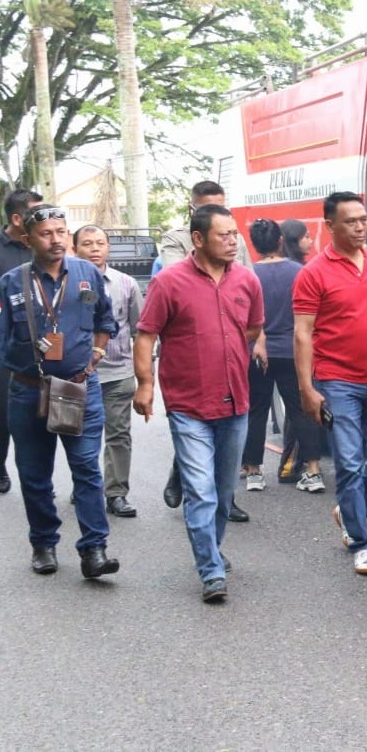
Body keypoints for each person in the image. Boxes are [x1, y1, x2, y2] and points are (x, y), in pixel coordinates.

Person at [133, 204, 264, 602]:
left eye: (234, 234)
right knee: (203, 493)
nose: (232, 241)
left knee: (223, 493)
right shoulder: (169, 282)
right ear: (198, 239)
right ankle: (210, 571)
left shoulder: (246, 281)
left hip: (236, 402)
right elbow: (145, 335)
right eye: (223, 235)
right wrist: (145, 384)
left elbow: (254, 326)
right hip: (188, 405)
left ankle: (213, 548)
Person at [293, 192, 367, 576]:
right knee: (347, 462)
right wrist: (306, 388)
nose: (361, 227)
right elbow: (302, 333)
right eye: (351, 221)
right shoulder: (313, 273)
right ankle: (362, 541)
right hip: (337, 381)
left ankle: (349, 513)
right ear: (330, 225)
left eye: (364, 219)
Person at [0, 204, 119, 578]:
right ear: (26, 239)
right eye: (46, 234)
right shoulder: (12, 282)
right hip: (29, 392)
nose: (56, 240)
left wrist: (94, 357)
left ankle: (94, 549)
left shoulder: (86, 274)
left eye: (61, 232)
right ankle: (43, 543)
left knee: (86, 468)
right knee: (34, 473)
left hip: (79, 389)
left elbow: (105, 320)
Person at [158, 179, 252, 521]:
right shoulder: (176, 239)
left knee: (230, 421)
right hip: (191, 343)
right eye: (209, 207)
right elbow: (176, 280)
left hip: (230, 342)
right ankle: (185, 475)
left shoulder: (233, 238)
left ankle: (225, 496)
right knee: (195, 420)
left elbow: (247, 280)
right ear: (193, 209)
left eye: (222, 205)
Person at [240, 219, 323, 492]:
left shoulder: (247, 275)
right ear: (280, 242)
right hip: (293, 351)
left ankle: (253, 471)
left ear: (254, 244)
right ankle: (312, 471)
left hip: (256, 353)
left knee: (256, 412)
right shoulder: (300, 272)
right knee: (302, 411)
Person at [74, 225, 143, 518]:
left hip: (117, 374)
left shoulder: (126, 284)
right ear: (74, 248)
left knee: (118, 435)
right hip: (74, 377)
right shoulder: (62, 283)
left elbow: (141, 331)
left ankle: (116, 493)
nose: (94, 248)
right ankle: (85, 488)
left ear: (108, 248)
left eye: (100, 243)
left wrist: (144, 378)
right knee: (78, 438)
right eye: (87, 243)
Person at [0, 188, 43, 495]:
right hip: (5, 344)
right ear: (17, 218)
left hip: (41, 345)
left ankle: (38, 478)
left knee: (39, 413)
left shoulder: (40, 247)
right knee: (3, 411)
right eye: (34, 212)